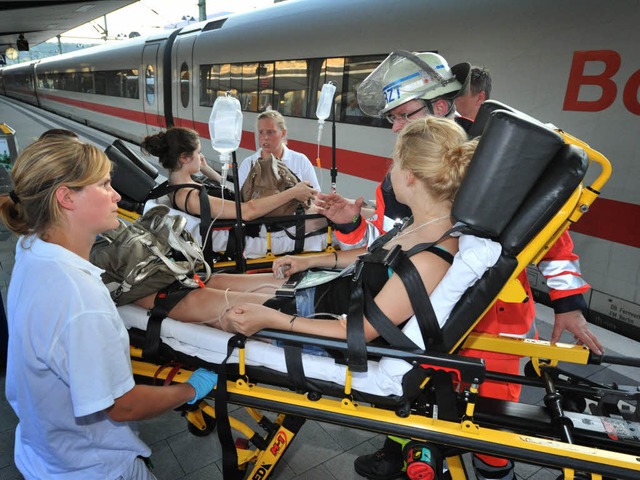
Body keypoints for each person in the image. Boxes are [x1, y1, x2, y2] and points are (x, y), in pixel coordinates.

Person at [315, 51, 603, 480]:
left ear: (441, 107)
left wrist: (568, 303)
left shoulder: (500, 169)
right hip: (422, 312)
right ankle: (398, 449)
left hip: (491, 320)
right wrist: (352, 224)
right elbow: (387, 246)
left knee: (490, 425)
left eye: (402, 115)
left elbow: (552, 238)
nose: (394, 127)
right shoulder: (397, 178)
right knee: (411, 396)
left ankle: (493, 470)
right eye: (391, 118)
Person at [0, 138, 218, 479]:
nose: (116, 195)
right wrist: (192, 389)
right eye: (103, 184)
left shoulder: (31, 247)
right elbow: (122, 406)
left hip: (45, 451)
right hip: (94, 467)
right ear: (66, 197)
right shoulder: (80, 299)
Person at [222, 116, 475, 344]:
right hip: (327, 294)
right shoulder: (422, 227)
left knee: (198, 302)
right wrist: (309, 261)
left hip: (320, 316)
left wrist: (271, 319)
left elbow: (360, 331)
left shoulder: (429, 259)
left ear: (409, 175)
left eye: (394, 164)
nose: (390, 172)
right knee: (219, 282)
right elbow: (374, 255)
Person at [140, 126, 317, 221]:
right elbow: (247, 212)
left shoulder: (179, 186)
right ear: (184, 158)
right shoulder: (190, 198)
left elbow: (223, 195)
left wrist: (206, 169)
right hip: (260, 225)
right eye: (198, 152)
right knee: (321, 213)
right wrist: (293, 193)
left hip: (255, 212)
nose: (201, 156)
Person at [238, 110, 321, 192]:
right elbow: (239, 200)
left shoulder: (300, 161)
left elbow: (315, 194)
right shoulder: (248, 164)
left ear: (283, 133)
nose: (265, 137)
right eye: (261, 132)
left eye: (270, 132)